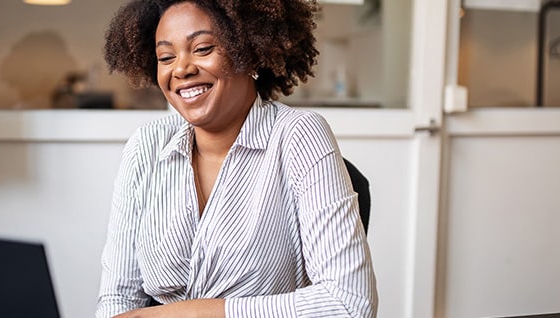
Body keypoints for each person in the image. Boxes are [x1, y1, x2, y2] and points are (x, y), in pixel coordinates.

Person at [97, 1, 378, 317]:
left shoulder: (299, 136)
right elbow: (116, 301)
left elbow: (349, 304)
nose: (181, 69)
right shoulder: (146, 146)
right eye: (166, 57)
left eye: (202, 49)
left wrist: (181, 314)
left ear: (250, 50)